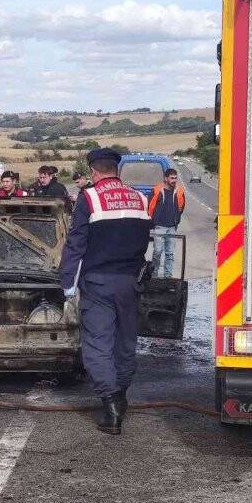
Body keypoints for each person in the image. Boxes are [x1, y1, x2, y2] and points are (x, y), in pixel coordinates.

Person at [58, 147, 151, 435]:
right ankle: (121, 394)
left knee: (98, 345)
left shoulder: (90, 197)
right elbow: (146, 238)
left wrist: (67, 285)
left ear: (94, 172)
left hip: (98, 282)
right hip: (130, 282)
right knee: (125, 343)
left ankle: (111, 406)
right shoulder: (140, 198)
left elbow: (76, 243)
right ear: (117, 170)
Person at [148, 168, 186, 278]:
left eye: (175, 178)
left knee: (169, 254)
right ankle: (154, 276)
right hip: (159, 227)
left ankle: (167, 276)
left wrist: (176, 219)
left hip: (172, 227)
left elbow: (181, 208)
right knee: (157, 253)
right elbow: (150, 207)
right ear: (166, 178)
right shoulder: (156, 190)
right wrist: (153, 222)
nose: (174, 180)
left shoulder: (179, 191)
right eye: (172, 178)